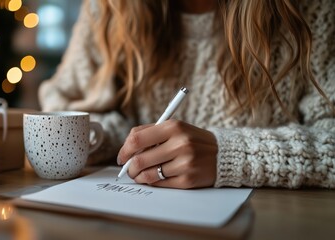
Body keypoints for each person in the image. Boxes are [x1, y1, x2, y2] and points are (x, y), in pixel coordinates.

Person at [38, 0, 335, 189]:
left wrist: (230, 155)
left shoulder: (308, 12)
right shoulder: (110, 9)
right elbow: (62, 104)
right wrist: (120, 139)